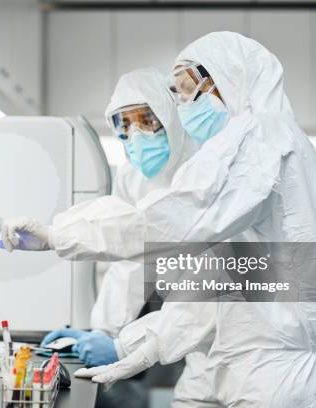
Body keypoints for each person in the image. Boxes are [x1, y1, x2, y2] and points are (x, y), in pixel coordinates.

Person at [0, 31, 316, 407]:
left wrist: (56, 233)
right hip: (241, 359)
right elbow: (216, 283)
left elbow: (172, 221)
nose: (183, 104)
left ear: (232, 76)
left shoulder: (262, 138)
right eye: (176, 92)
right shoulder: (264, 147)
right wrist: (132, 345)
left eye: (188, 88)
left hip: (272, 373)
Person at [38, 67, 220, 407]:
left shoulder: (204, 170)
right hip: (177, 311)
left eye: (147, 120)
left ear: (170, 115)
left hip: (225, 333)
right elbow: (128, 261)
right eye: (125, 124)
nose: (136, 134)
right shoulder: (133, 177)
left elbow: (211, 294)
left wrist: (124, 347)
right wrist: (104, 330)